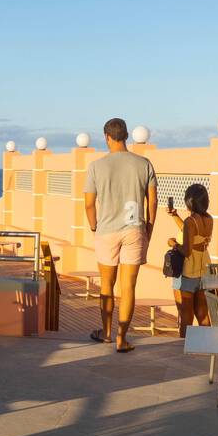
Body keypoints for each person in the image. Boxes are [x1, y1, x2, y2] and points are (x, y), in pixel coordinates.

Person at [83, 117, 157, 352]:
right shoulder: (144, 163)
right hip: (135, 228)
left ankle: (105, 332)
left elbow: (89, 204)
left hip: (106, 231)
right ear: (125, 136)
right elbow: (152, 201)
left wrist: (94, 226)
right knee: (129, 287)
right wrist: (149, 228)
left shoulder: (96, 166)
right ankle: (121, 338)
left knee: (107, 285)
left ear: (107, 137)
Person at [166, 183, 213, 337]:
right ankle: (207, 344)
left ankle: (183, 346)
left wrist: (173, 244)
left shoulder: (190, 221)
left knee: (186, 313)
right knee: (202, 312)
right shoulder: (208, 219)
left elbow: (186, 250)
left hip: (189, 271)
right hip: (204, 270)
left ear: (189, 201)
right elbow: (192, 234)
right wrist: (174, 216)